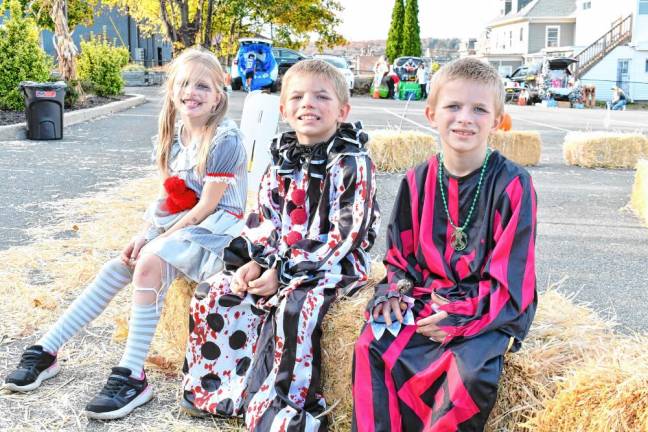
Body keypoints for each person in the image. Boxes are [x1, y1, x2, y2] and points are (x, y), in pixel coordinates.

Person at [3, 48, 248, 420]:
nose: (191, 92)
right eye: (183, 83)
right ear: (171, 90)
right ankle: (47, 349)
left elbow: (207, 207)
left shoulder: (224, 139)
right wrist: (145, 231)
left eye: (202, 85)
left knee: (148, 260)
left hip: (219, 229)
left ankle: (133, 375)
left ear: (219, 94)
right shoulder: (174, 135)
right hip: (185, 221)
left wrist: (156, 240)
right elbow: (171, 197)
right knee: (121, 263)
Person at [181, 59, 380, 431]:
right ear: (285, 109)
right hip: (277, 260)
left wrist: (284, 272)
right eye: (298, 97)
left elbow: (345, 233)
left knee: (295, 308)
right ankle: (227, 390)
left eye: (322, 97)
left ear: (343, 110)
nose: (309, 104)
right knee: (215, 292)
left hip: (331, 265)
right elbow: (265, 217)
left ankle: (289, 407)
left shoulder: (352, 162)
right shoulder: (282, 160)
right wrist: (255, 262)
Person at [352, 57, 537, 431]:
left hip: (489, 305)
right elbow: (400, 258)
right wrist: (395, 292)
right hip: (428, 294)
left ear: (498, 121)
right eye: (453, 106)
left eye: (479, 109)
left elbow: (512, 277)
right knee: (372, 345)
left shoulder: (514, 185)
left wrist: (461, 317)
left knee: (467, 375)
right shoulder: (417, 180)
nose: (465, 118)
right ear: (431, 114)